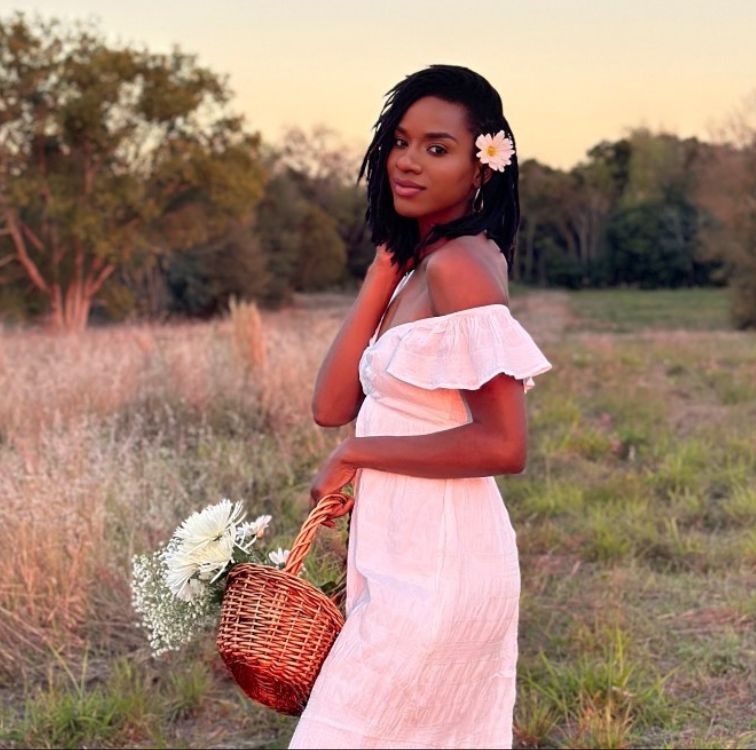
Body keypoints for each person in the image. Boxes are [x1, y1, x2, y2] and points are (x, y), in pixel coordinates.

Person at [289, 64, 554, 749]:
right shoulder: (424, 265)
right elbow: (331, 403)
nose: (407, 162)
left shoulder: (461, 266)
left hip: (442, 571)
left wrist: (358, 452)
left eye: (437, 148)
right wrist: (381, 274)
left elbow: (504, 445)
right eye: (400, 142)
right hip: (400, 560)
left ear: (482, 167)